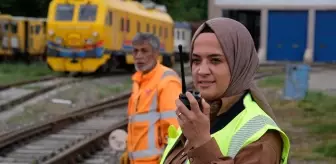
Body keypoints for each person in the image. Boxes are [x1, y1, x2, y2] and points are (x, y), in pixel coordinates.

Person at [159, 18, 291, 164]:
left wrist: (201, 143)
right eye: (196, 60)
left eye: (215, 60)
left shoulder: (262, 139)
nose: (201, 71)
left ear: (239, 64)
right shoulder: (198, 117)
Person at [120, 32, 182, 164]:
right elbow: (138, 125)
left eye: (144, 51)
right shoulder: (139, 81)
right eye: (135, 51)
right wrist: (128, 151)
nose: (138, 56)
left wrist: (169, 159)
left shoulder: (167, 80)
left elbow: (173, 128)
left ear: (156, 53)